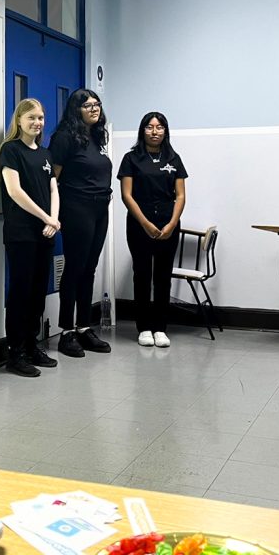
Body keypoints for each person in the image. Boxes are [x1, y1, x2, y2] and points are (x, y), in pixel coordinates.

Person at [0, 98, 60, 377]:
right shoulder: (10, 150)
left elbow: (53, 190)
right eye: (32, 118)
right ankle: (16, 353)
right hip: (22, 232)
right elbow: (15, 191)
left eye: (41, 118)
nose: (37, 123)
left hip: (46, 232)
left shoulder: (45, 154)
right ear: (19, 120)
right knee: (21, 293)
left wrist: (54, 220)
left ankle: (33, 345)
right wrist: (45, 217)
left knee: (38, 294)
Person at [49, 89, 113, 357]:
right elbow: (53, 178)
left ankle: (84, 327)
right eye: (87, 106)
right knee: (74, 268)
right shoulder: (64, 137)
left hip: (100, 208)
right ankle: (67, 332)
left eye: (97, 104)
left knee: (90, 268)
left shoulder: (97, 136)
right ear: (76, 110)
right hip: (76, 207)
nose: (94, 109)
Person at [118, 112, 187, 348]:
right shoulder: (131, 158)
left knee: (163, 278)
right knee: (143, 276)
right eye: (149, 127)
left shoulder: (174, 158)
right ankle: (144, 327)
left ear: (166, 131)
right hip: (139, 225)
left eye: (159, 127)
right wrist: (145, 223)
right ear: (142, 130)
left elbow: (181, 196)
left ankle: (160, 328)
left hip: (168, 226)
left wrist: (171, 224)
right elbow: (127, 195)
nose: (155, 131)